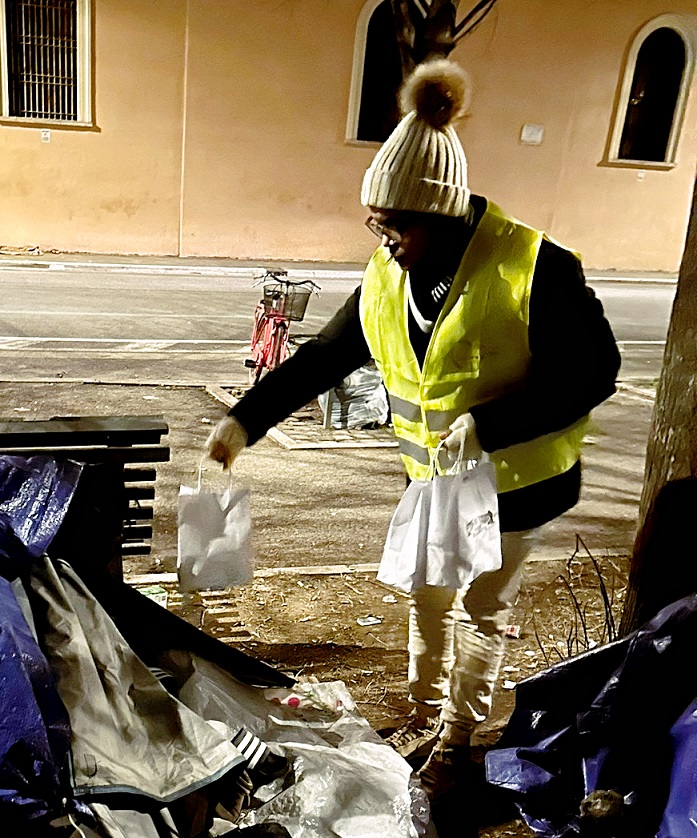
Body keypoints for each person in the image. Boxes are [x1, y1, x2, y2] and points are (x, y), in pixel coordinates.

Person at [205, 59, 621, 797]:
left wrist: (490, 427)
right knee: (427, 596)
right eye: (377, 222)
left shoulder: (533, 265)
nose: (383, 237)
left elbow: (593, 373)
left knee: (482, 609)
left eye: (394, 224)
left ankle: (458, 740)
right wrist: (246, 421)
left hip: (514, 487)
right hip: (430, 480)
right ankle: (423, 712)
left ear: (441, 214)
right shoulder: (386, 272)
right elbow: (330, 352)